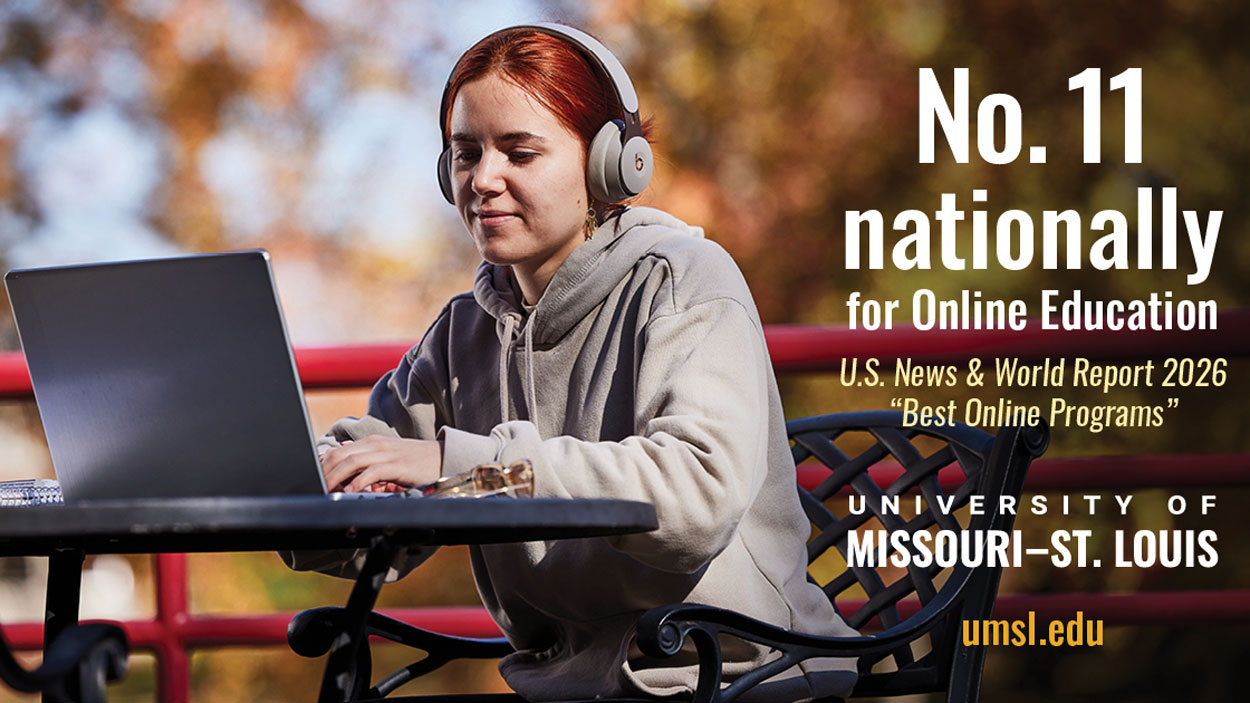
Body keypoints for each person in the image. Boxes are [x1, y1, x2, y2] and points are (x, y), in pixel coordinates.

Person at [283, 23, 858, 701]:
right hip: (564, 686)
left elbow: (694, 497)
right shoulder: (462, 331)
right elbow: (367, 516)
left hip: (734, 675)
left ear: (609, 164)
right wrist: (312, 479)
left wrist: (457, 465)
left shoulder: (686, 280)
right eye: (465, 154)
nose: (483, 179)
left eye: (519, 153)